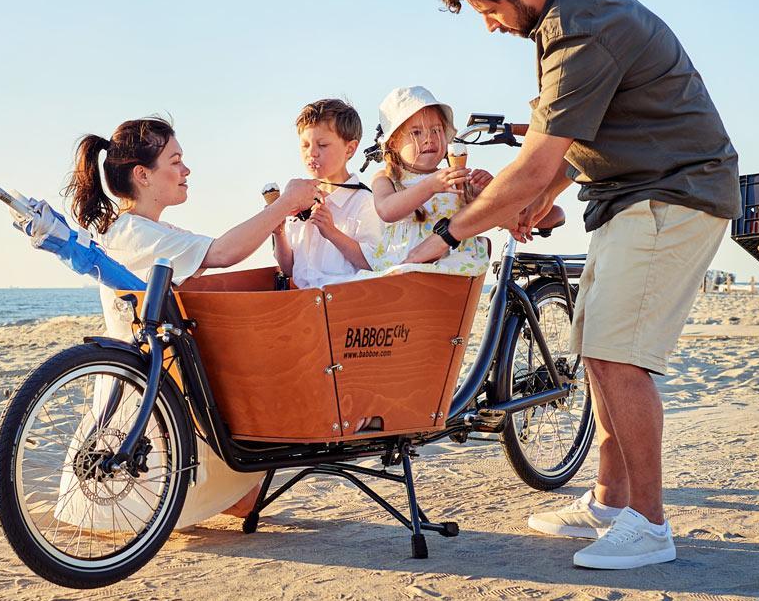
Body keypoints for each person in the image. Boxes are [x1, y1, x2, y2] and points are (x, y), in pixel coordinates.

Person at [407, 0, 739, 569]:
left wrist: (447, 234)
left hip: (674, 191)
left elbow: (533, 160)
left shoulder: (583, 28)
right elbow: (570, 141)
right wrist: (540, 199)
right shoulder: (566, 11)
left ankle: (649, 525)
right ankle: (613, 504)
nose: (489, 24)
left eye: (489, 9)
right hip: (631, 194)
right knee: (596, 346)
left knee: (620, 355)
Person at [65, 116, 320, 528]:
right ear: (143, 175)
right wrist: (284, 205)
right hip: (152, 395)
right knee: (248, 494)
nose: (186, 171)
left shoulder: (143, 228)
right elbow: (221, 253)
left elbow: (206, 270)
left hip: (149, 385)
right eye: (176, 160)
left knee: (249, 491)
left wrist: (277, 230)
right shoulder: (137, 233)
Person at [364, 86, 495, 276]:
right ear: (394, 143)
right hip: (405, 264)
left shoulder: (453, 177)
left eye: (436, 130)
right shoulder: (387, 177)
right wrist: (430, 186)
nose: (429, 139)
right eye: (416, 133)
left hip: (453, 265)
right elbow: (386, 210)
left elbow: (496, 218)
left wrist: (484, 193)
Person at [272, 99, 381, 289]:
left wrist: (331, 232)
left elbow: (375, 263)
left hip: (345, 305)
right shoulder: (298, 200)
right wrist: (279, 232)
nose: (312, 153)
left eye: (322, 145)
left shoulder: (364, 202)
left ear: (350, 149)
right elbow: (289, 268)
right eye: (305, 145)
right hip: (303, 303)